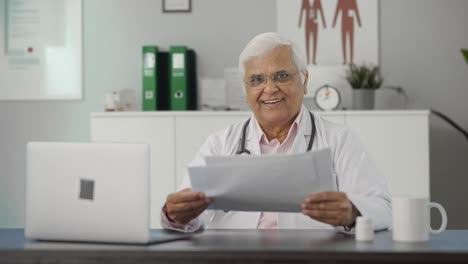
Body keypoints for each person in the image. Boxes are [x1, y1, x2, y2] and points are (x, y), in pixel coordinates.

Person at [161, 32, 391, 232]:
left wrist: (351, 211)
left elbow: (383, 209)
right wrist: (175, 214)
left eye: (281, 76)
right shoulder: (219, 143)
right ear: (246, 90)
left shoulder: (339, 140)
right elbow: (187, 215)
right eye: (256, 79)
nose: (269, 89)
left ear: (305, 81)